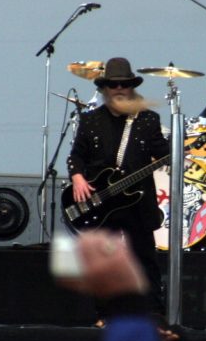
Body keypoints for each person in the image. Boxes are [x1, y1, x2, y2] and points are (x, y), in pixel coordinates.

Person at [66, 57, 170, 314]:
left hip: (137, 202)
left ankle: (154, 315)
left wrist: (181, 152)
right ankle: (100, 316)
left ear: (132, 86)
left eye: (125, 84)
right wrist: (77, 177)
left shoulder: (147, 120)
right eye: (114, 85)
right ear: (104, 88)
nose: (120, 89)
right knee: (101, 262)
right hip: (102, 204)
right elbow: (76, 155)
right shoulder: (91, 120)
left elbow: (162, 151)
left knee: (145, 260)